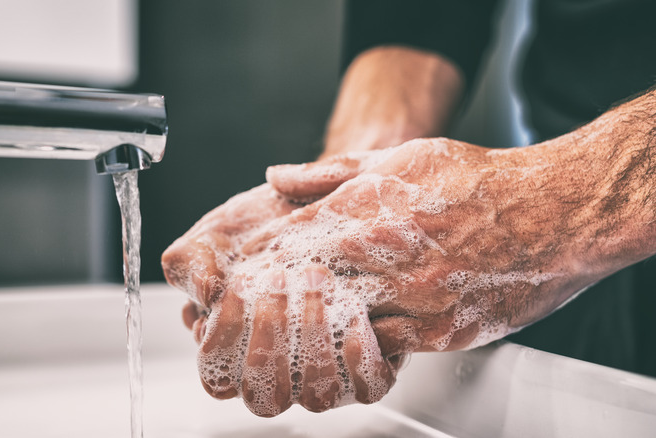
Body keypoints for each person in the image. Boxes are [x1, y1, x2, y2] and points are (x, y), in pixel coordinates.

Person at [161, 0, 656, 417]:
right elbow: (416, 16)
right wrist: (341, 207)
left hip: (572, 244)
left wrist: (552, 208)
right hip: (580, 302)